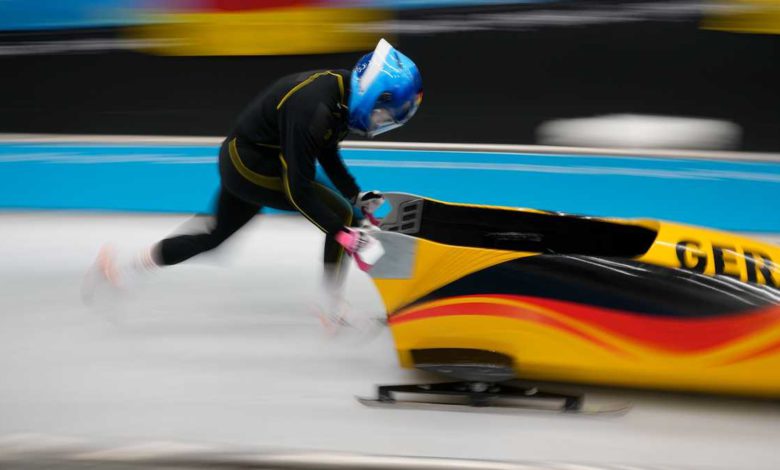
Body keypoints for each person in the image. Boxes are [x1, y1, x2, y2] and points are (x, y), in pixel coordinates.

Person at [85, 38, 423, 324]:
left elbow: (326, 150)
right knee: (340, 215)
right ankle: (331, 307)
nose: (380, 121)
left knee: (214, 236)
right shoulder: (315, 107)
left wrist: (355, 193)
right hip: (251, 166)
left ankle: (124, 269)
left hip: (243, 158)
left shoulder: (339, 93)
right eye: (383, 113)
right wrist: (342, 233)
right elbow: (299, 189)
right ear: (371, 93)